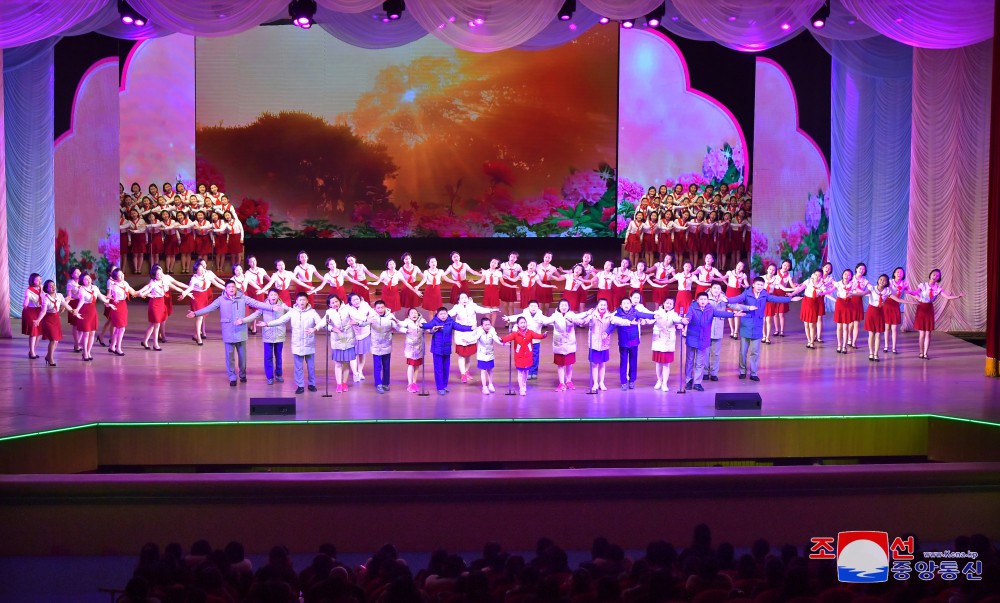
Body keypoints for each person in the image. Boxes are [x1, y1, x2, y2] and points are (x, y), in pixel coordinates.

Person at [188, 280, 270, 386]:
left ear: (236, 288)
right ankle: (232, 377)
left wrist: (271, 307)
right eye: (229, 287)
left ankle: (243, 375)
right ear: (225, 289)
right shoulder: (221, 300)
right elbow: (209, 308)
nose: (231, 289)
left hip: (241, 332)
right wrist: (195, 313)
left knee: (242, 357)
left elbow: (257, 303)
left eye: (233, 287)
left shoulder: (242, 297)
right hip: (228, 332)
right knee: (229, 356)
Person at [726, 277, 800, 381]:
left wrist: (790, 299)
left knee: (755, 351)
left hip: (758, 325)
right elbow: (736, 299)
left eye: (761, 285)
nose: (759, 287)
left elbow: (776, 299)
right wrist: (726, 299)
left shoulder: (765, 295)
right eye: (758, 285)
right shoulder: (746, 293)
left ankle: (754, 373)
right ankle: (742, 371)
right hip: (746, 324)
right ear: (753, 285)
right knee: (743, 351)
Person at [256, 292, 322, 394]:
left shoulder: (312, 312)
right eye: (300, 300)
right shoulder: (292, 312)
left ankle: (312, 384)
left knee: (311, 366)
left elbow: (320, 322)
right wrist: (267, 323)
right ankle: (300, 385)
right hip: (297, 343)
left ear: (307, 301)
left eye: (304, 300)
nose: (302, 302)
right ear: (296, 301)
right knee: (298, 367)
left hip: (309, 343)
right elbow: (281, 320)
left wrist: (316, 328)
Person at [683, 292, 742, 391]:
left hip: (703, 339)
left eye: (705, 299)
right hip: (692, 338)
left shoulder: (710, 309)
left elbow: (720, 313)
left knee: (700, 362)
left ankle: (697, 382)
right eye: (701, 299)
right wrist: (683, 322)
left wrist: (734, 314)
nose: (703, 301)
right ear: (697, 300)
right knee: (689, 361)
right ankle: (688, 381)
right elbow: (688, 317)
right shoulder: (692, 308)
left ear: (707, 300)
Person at [536, 299, 587, 391]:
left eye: (566, 305)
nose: (564, 307)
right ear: (559, 307)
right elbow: (546, 320)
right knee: (560, 364)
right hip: (559, 344)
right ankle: (561, 383)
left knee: (569, 364)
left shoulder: (571, 315)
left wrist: (588, 313)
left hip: (570, 344)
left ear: (568, 307)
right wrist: (538, 316)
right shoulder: (555, 316)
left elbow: (580, 316)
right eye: (562, 305)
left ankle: (569, 381)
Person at [605, 297, 656, 390]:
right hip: (623, 342)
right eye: (624, 303)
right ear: (621, 305)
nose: (626, 305)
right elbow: (612, 325)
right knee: (623, 362)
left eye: (628, 303)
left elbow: (644, 315)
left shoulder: (635, 312)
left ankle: (632, 381)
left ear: (631, 304)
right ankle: (623, 382)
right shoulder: (617, 315)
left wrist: (653, 316)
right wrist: (606, 332)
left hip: (634, 342)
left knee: (633, 362)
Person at [421, 307, 474, 395]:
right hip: (437, 349)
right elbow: (428, 325)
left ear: (447, 314)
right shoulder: (435, 321)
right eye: (441, 314)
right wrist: (421, 325)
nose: (443, 316)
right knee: (438, 369)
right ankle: (440, 387)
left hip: (447, 349)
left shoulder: (450, 322)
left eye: (444, 314)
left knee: (446, 368)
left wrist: (471, 328)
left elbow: (460, 327)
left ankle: (445, 385)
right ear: (437, 315)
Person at [912, 269, 963, 360]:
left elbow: (947, 296)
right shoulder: (923, 285)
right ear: (930, 274)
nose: (935, 276)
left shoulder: (938, 288)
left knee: (928, 333)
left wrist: (957, 296)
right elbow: (915, 293)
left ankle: (925, 353)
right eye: (934, 274)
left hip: (929, 309)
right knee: (922, 334)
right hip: (921, 309)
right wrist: (909, 291)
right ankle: (921, 352)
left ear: (939, 278)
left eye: (937, 275)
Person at [449, 292, 497, 384]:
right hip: (461, 334)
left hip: (471, 333)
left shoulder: (473, 306)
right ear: (458, 300)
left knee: (468, 354)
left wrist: (491, 310)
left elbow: (481, 310)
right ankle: (463, 374)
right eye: (462, 298)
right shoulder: (456, 308)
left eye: (465, 298)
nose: (464, 300)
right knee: (462, 354)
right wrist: (440, 315)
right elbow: (449, 314)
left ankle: (466, 371)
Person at [244, 289, 290, 384]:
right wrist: (243, 321)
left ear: (278, 296)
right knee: (268, 357)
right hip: (268, 336)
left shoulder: (283, 306)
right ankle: (269, 377)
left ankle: (278, 374)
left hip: (279, 335)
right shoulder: (264, 307)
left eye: (275, 295)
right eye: (271, 295)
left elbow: (293, 312)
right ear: (268, 296)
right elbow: (254, 315)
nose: (273, 296)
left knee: (279, 357)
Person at [135, 264, 186, 350]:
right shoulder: (153, 283)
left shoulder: (164, 281)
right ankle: (155, 344)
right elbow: (147, 290)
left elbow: (175, 286)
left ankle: (144, 341)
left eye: (161, 272)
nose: (161, 275)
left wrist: (185, 291)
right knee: (157, 324)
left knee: (153, 324)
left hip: (161, 302)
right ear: (154, 275)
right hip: (154, 304)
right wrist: (144, 294)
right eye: (158, 274)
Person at [577, 299, 623, 393]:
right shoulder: (592, 315)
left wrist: (629, 322)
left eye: (604, 305)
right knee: (594, 364)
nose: (603, 307)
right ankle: (595, 383)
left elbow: (619, 321)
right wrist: (586, 316)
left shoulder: (609, 316)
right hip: (594, 343)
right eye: (601, 305)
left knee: (602, 364)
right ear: (597, 306)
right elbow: (581, 322)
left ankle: (601, 382)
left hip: (604, 343)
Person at [33, 279, 82, 367]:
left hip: (56, 319)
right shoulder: (46, 298)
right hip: (48, 319)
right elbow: (43, 311)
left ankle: (48, 356)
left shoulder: (59, 296)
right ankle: (51, 358)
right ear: (46, 289)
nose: (52, 287)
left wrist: (74, 312)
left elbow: (66, 305)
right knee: (53, 340)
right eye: (50, 286)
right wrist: (38, 320)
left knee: (56, 341)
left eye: (53, 285)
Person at [501, 316, 548, 396]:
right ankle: (521, 388)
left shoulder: (530, 332)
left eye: (524, 322)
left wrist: (543, 335)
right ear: (518, 325)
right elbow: (507, 338)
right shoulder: (515, 334)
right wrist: (502, 340)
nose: (523, 324)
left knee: (526, 372)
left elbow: (538, 336)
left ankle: (524, 383)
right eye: (521, 323)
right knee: (520, 372)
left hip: (528, 356)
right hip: (519, 357)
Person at [319, 295, 357, 393]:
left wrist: (364, 320)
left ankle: (344, 383)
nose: (335, 304)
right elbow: (324, 323)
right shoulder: (329, 312)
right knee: (338, 363)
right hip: (337, 341)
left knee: (346, 363)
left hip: (348, 340)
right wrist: (331, 328)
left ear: (340, 301)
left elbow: (358, 317)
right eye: (332, 303)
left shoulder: (347, 308)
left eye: (336, 301)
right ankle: (339, 384)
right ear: (329, 305)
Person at [502, 300, 548, 380]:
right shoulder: (525, 314)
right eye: (531, 306)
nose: (533, 308)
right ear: (528, 307)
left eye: (535, 306)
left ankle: (534, 371)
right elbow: (517, 317)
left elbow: (549, 320)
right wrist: (508, 318)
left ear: (538, 307)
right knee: (528, 356)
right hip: (526, 341)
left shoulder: (540, 316)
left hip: (536, 340)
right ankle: (529, 371)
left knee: (535, 356)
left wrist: (545, 322)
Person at [650, 298, 686, 392]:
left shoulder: (674, 314)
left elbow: (677, 319)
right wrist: (644, 321)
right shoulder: (657, 312)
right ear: (663, 303)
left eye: (671, 304)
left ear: (673, 305)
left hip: (668, 341)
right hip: (658, 340)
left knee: (666, 363)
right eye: (667, 303)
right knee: (658, 363)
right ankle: (659, 380)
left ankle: (665, 383)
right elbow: (650, 320)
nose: (668, 305)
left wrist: (682, 320)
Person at [106, 268, 140, 357]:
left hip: (123, 305)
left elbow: (134, 293)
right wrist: (109, 301)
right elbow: (108, 296)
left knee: (119, 328)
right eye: (119, 275)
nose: (122, 276)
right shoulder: (113, 285)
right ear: (115, 277)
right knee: (121, 328)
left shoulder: (125, 283)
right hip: (116, 306)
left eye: (122, 274)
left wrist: (145, 292)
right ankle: (118, 348)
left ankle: (112, 346)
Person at [369, 299, 400, 394]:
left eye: (382, 307)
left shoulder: (390, 316)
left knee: (386, 366)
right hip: (376, 344)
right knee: (377, 366)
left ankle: (385, 383)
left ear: (385, 307)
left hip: (387, 344)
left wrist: (407, 330)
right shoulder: (372, 317)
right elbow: (363, 324)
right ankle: (378, 384)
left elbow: (397, 327)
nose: (380, 309)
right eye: (378, 308)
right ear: (375, 309)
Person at [344, 292, 376, 383]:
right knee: (353, 355)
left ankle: (360, 371)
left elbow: (372, 313)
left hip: (365, 333)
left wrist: (369, 318)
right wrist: (367, 319)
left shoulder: (365, 304)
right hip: (352, 334)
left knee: (362, 354)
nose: (356, 301)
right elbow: (357, 317)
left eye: (357, 299)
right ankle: (355, 374)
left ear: (360, 299)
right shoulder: (347, 308)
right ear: (350, 301)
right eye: (353, 300)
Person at [471, 317, 506, 394]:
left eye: (489, 324)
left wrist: (503, 344)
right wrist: (467, 340)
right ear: (482, 326)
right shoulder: (479, 331)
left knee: (490, 370)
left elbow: (496, 338)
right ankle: (484, 387)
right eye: (485, 325)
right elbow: (474, 338)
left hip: (490, 354)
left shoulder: (492, 330)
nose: (487, 326)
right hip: (482, 354)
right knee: (483, 371)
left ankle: (490, 384)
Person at [396, 308, 427, 392]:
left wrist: (431, 328)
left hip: (419, 347)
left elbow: (428, 328)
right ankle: (410, 384)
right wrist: (405, 330)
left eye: (415, 313)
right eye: (412, 313)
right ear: (409, 316)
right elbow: (399, 326)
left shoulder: (422, 320)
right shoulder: (407, 321)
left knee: (417, 366)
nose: (414, 314)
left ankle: (414, 382)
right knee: (411, 365)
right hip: (410, 347)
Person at [704, 283, 730, 382]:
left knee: (716, 353)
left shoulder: (724, 298)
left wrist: (747, 308)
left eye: (718, 288)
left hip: (718, 328)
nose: (716, 290)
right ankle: (705, 372)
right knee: (705, 352)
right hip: (707, 328)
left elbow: (733, 304)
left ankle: (714, 373)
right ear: (711, 289)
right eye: (714, 288)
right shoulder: (705, 298)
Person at [883, 267, 910, 354]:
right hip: (887, 305)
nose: (899, 274)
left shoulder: (904, 284)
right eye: (897, 272)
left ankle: (894, 348)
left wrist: (920, 298)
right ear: (894, 273)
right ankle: (886, 346)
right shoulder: (889, 282)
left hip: (896, 306)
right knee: (887, 328)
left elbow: (910, 293)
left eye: (901, 272)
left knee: (894, 328)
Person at [21, 273, 43, 360]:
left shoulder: (42, 288)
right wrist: (25, 303)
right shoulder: (28, 290)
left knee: (39, 334)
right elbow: (27, 299)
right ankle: (32, 352)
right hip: (30, 311)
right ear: (32, 281)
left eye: (40, 279)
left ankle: (32, 350)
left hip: (39, 311)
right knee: (33, 333)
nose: (39, 281)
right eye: (37, 280)